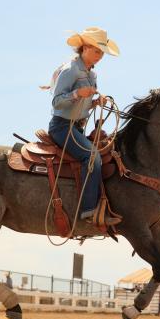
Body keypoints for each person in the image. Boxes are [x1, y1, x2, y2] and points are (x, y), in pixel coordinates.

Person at [47, 27, 121, 225]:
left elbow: (83, 103)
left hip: (77, 127)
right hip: (62, 126)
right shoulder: (71, 70)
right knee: (92, 157)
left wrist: (95, 102)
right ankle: (88, 211)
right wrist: (78, 94)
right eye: (96, 51)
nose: (99, 57)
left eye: (102, 53)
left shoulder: (91, 74)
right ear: (85, 47)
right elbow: (56, 102)